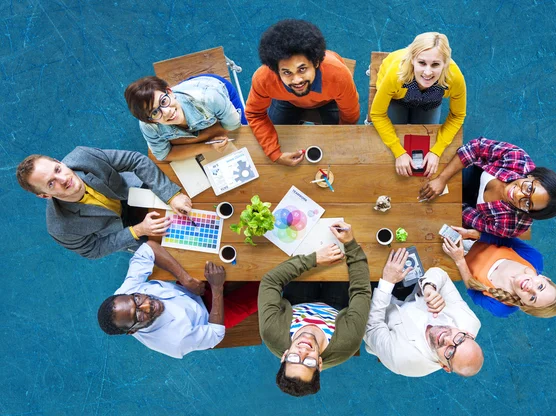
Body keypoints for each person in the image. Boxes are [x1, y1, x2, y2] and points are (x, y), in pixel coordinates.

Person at [258, 221, 370, 396]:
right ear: (319, 364)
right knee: (344, 251)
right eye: (308, 362)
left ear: (284, 356)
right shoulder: (347, 343)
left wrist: (314, 259)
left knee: (304, 239)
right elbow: (361, 291)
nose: (303, 351)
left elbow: (270, 282)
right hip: (338, 306)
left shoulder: (272, 333)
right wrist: (350, 244)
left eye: (294, 358)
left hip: (299, 301)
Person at [16, 147, 189, 259]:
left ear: (59, 162)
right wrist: (137, 231)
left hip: (131, 191)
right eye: (51, 183)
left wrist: (171, 195)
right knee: (184, 254)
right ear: (45, 195)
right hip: (124, 231)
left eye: (58, 169)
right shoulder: (60, 228)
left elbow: (135, 160)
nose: (64, 179)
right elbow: (93, 250)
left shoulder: (84, 156)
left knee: (191, 206)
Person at [97, 240, 259, 358]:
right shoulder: (175, 342)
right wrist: (217, 288)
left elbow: (149, 249)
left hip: (188, 286)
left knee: (234, 250)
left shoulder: (125, 294)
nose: (147, 305)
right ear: (133, 331)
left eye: (137, 299)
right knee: (266, 289)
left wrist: (186, 279)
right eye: (139, 315)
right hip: (211, 316)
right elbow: (215, 334)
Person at [245, 19, 360, 166]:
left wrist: (339, 136)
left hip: (328, 102)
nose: (297, 80)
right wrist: (275, 153)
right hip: (287, 101)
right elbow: (254, 114)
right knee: (274, 139)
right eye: (287, 72)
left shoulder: (338, 76)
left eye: (302, 69)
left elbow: (350, 114)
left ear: (316, 62)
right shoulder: (263, 79)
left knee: (337, 147)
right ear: (275, 70)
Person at [364, 248, 483, 377]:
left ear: (444, 366)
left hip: (373, 314)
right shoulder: (469, 321)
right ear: (468, 333)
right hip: (410, 293)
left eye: (450, 353)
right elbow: (441, 275)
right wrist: (430, 287)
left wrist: (387, 282)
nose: (446, 339)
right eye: (459, 339)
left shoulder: (403, 360)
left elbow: (371, 327)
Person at [419, 137, 556, 238]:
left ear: (530, 213)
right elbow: (475, 148)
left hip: (465, 206)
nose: (517, 195)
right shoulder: (517, 158)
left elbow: (470, 217)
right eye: (529, 188)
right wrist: (442, 179)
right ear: (532, 176)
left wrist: (444, 204)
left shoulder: (511, 225)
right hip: (460, 170)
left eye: (528, 203)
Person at [370, 32, 466, 177]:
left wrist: (436, 151)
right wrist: (399, 152)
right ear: (412, 59)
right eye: (422, 63)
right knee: (389, 141)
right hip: (397, 97)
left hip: (429, 101)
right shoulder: (396, 73)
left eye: (435, 64)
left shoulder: (455, 78)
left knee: (424, 140)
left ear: (445, 63)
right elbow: (377, 114)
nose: (427, 72)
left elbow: (458, 115)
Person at [441, 227, 556, 318]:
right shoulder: (534, 258)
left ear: (524, 305)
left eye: (532, 298)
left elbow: (475, 294)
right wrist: (469, 233)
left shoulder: (502, 308)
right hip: (473, 235)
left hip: (452, 260)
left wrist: (459, 260)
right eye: (540, 286)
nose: (530, 288)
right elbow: (505, 239)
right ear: (545, 278)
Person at [125, 74, 244, 161]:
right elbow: (164, 155)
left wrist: (182, 143)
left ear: (169, 91)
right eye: (155, 113)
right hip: (191, 95)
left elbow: (233, 126)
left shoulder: (210, 97)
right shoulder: (148, 124)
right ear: (149, 119)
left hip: (215, 88)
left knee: (244, 129)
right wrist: (209, 146)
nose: (166, 112)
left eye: (163, 101)